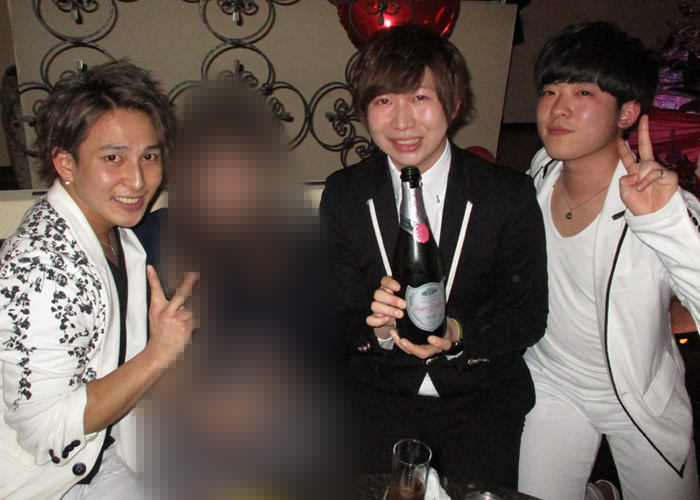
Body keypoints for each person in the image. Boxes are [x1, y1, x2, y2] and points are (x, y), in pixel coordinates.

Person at [320, 24, 548, 489]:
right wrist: (376, 328)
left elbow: (527, 317)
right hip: (377, 399)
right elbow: (333, 318)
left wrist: (457, 332)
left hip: (480, 401)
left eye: (420, 97)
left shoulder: (507, 195)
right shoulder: (345, 194)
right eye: (384, 100)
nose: (402, 122)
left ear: (454, 103)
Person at [518, 22, 700, 500]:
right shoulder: (540, 171)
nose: (557, 109)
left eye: (583, 92)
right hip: (551, 383)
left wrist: (667, 224)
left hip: (638, 398)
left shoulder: (661, 206)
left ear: (628, 112)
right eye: (550, 90)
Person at [0, 60, 197, 500]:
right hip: (43, 479)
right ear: (65, 163)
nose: (138, 180)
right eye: (113, 158)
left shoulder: (115, 234)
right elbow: (45, 431)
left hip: (103, 454)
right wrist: (158, 355)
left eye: (149, 156)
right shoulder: (45, 267)